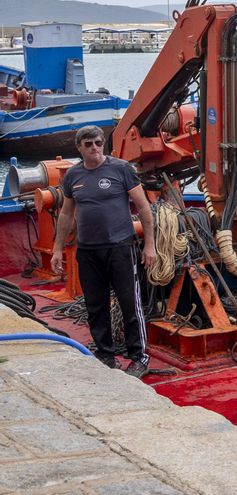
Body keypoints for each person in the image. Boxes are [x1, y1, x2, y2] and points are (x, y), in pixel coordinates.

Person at [51, 126, 157, 379]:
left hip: (119, 248)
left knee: (129, 303)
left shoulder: (121, 169)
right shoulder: (73, 176)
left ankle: (139, 357)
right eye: (88, 144)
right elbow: (66, 213)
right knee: (95, 305)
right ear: (79, 148)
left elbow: (143, 207)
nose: (94, 148)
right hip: (88, 251)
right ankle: (105, 353)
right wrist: (57, 249)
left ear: (103, 144)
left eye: (98, 143)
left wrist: (150, 245)